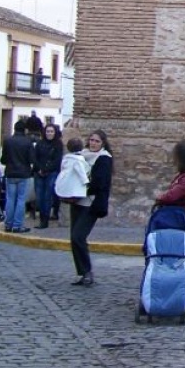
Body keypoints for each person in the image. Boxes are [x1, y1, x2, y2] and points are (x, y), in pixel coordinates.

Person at [70, 130, 113, 287]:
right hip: (77, 201)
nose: (93, 143)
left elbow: (99, 183)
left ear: (103, 143)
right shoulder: (80, 156)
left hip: (91, 203)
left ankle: (87, 271)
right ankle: (81, 273)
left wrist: (83, 187)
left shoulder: (104, 159)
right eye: (91, 140)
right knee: (74, 239)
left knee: (78, 236)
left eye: (97, 141)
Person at [1, 120, 36, 233]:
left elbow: (3, 159)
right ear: (25, 130)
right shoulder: (28, 141)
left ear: (14, 129)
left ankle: (8, 224)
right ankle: (17, 225)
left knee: (10, 199)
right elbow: (32, 159)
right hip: (23, 173)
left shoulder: (7, 141)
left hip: (10, 173)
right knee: (21, 200)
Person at [32, 123, 64, 229]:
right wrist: (40, 169)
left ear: (55, 133)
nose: (49, 133)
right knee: (39, 197)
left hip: (51, 173)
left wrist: (46, 169)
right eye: (48, 131)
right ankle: (41, 218)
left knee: (47, 197)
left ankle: (45, 221)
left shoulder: (58, 145)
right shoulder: (39, 144)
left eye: (51, 131)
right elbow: (34, 158)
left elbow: (57, 160)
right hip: (39, 173)